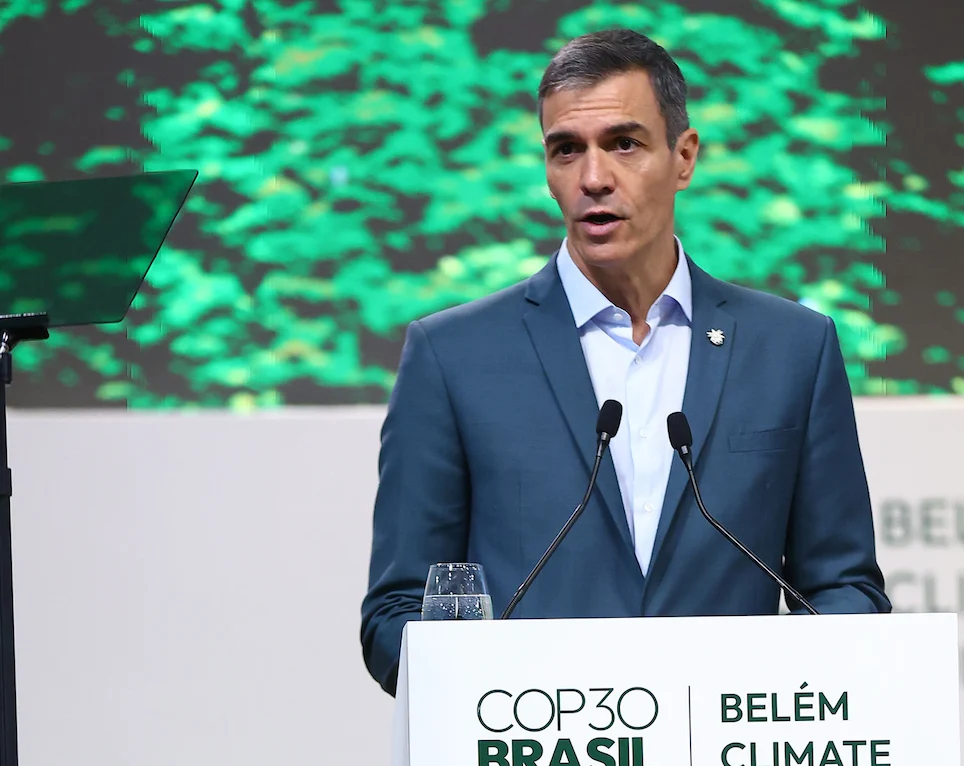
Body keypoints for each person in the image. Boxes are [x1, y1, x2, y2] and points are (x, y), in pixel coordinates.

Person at [361, 28, 889, 695]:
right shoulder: (452, 356)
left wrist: (773, 686)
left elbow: (843, 587)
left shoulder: (792, 349)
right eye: (566, 149)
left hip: (726, 747)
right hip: (538, 750)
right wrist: (486, 689)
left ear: (684, 157)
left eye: (624, 144)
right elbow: (396, 613)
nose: (593, 178)